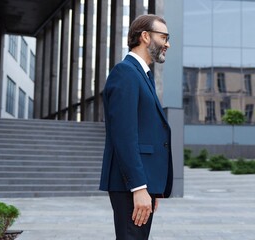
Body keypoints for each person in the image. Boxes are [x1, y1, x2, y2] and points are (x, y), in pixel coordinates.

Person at [99, 14, 173, 240]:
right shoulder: (126, 73)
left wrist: (152, 186)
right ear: (145, 37)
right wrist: (139, 187)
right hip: (129, 185)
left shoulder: (142, 75)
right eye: (164, 37)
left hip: (141, 183)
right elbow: (124, 136)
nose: (168, 44)